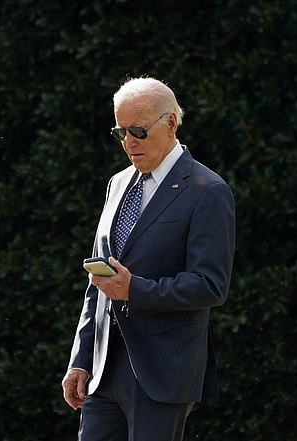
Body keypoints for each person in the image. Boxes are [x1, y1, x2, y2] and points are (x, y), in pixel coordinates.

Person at [61, 77, 236, 441]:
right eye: (120, 132)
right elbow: (99, 282)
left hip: (162, 369)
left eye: (138, 130)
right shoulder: (118, 182)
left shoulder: (209, 191)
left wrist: (135, 290)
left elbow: (210, 285)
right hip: (104, 367)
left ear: (170, 123)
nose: (129, 143)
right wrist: (81, 358)